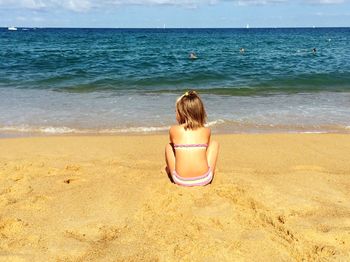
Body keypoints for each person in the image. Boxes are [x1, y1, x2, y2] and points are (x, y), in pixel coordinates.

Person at [165, 91, 219, 187]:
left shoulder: (174, 130)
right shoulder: (206, 131)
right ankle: (209, 169)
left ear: (181, 113)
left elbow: (174, 149)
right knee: (214, 144)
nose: (175, 114)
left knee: (169, 146)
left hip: (180, 180)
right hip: (204, 179)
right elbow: (204, 151)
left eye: (176, 111)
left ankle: (169, 170)